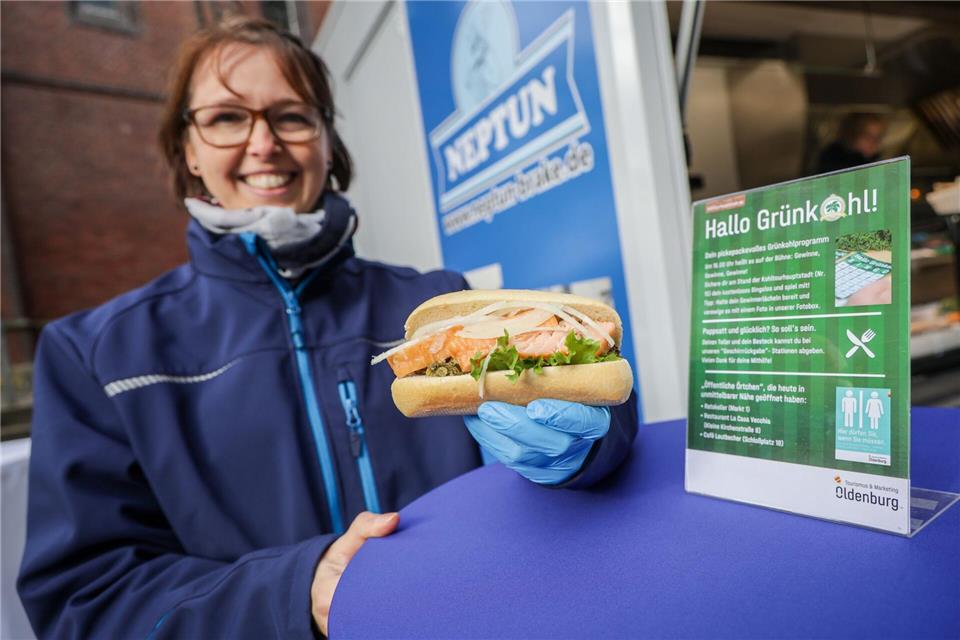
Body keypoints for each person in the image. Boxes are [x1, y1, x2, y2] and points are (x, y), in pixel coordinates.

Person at [16, 17, 638, 639]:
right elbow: (84, 601)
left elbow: (593, 438)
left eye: (292, 116)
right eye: (227, 118)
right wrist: (293, 592)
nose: (264, 143)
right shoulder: (96, 356)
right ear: (188, 151)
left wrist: (587, 451)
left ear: (325, 143)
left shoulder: (435, 300)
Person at [816, 112, 887, 174]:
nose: (873, 143)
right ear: (851, 135)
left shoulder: (876, 163)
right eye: (867, 136)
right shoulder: (832, 160)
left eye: (877, 138)